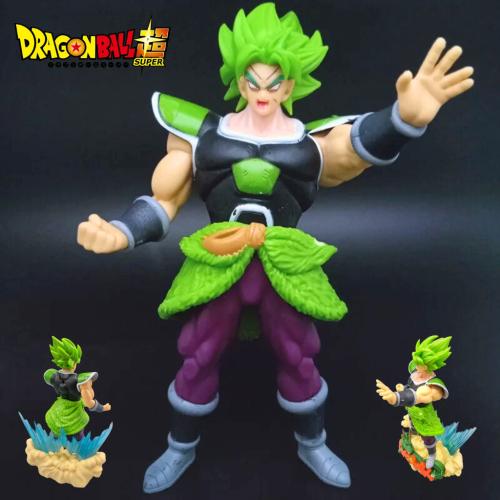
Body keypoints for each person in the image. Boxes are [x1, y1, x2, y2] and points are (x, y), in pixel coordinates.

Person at [76, 2, 473, 493]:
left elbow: (353, 149)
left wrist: (401, 120)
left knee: (299, 356)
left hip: (284, 267)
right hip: (219, 262)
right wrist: (122, 231)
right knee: (197, 356)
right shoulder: (202, 137)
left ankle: (312, 443)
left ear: (290, 85)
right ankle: (180, 447)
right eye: (253, 80)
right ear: (238, 80)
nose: (263, 92)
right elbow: (164, 201)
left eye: (274, 81)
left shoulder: (309, 144)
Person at [376, 335, 452, 469]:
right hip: (413, 411)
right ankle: (414, 441)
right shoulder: (415, 371)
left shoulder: (432, 386)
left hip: (425, 416)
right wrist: (403, 388)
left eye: (419, 363)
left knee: (427, 436)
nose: (416, 365)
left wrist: (396, 397)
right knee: (412, 427)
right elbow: (410, 388)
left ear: (428, 365)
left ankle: (432, 454)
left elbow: (416, 396)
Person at [44, 336, 111, 440]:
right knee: (78, 433)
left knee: (56, 430)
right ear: (74, 363)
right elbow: (89, 402)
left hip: (58, 409)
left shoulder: (53, 375)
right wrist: (102, 408)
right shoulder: (81, 381)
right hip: (74, 412)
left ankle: (51, 445)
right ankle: (76, 446)